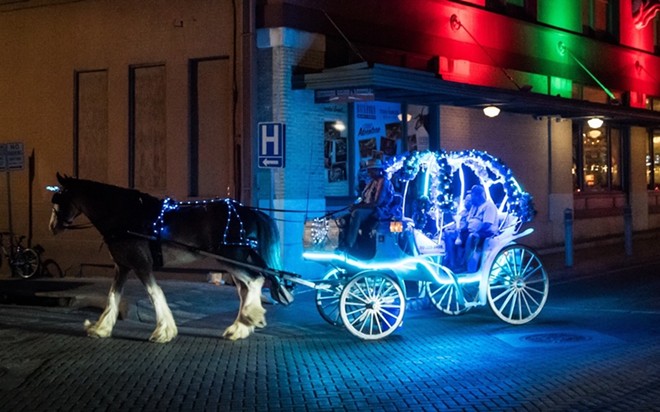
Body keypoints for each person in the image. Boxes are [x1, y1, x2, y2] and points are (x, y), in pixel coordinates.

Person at [342, 158, 394, 250]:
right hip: (367, 208)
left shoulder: (383, 182)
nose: (369, 173)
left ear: (378, 170)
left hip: (379, 210)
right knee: (345, 217)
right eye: (369, 170)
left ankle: (349, 244)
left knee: (357, 213)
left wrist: (358, 207)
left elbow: (376, 203)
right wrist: (354, 205)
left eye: (371, 170)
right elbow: (363, 198)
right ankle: (346, 242)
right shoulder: (372, 182)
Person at [463, 184, 499, 272]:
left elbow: (487, 224)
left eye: (472, 196)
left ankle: (469, 265)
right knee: (451, 235)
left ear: (478, 196)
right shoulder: (474, 207)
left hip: (487, 232)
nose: (471, 198)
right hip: (472, 230)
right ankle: (453, 263)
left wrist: (475, 230)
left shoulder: (488, 206)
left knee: (472, 236)